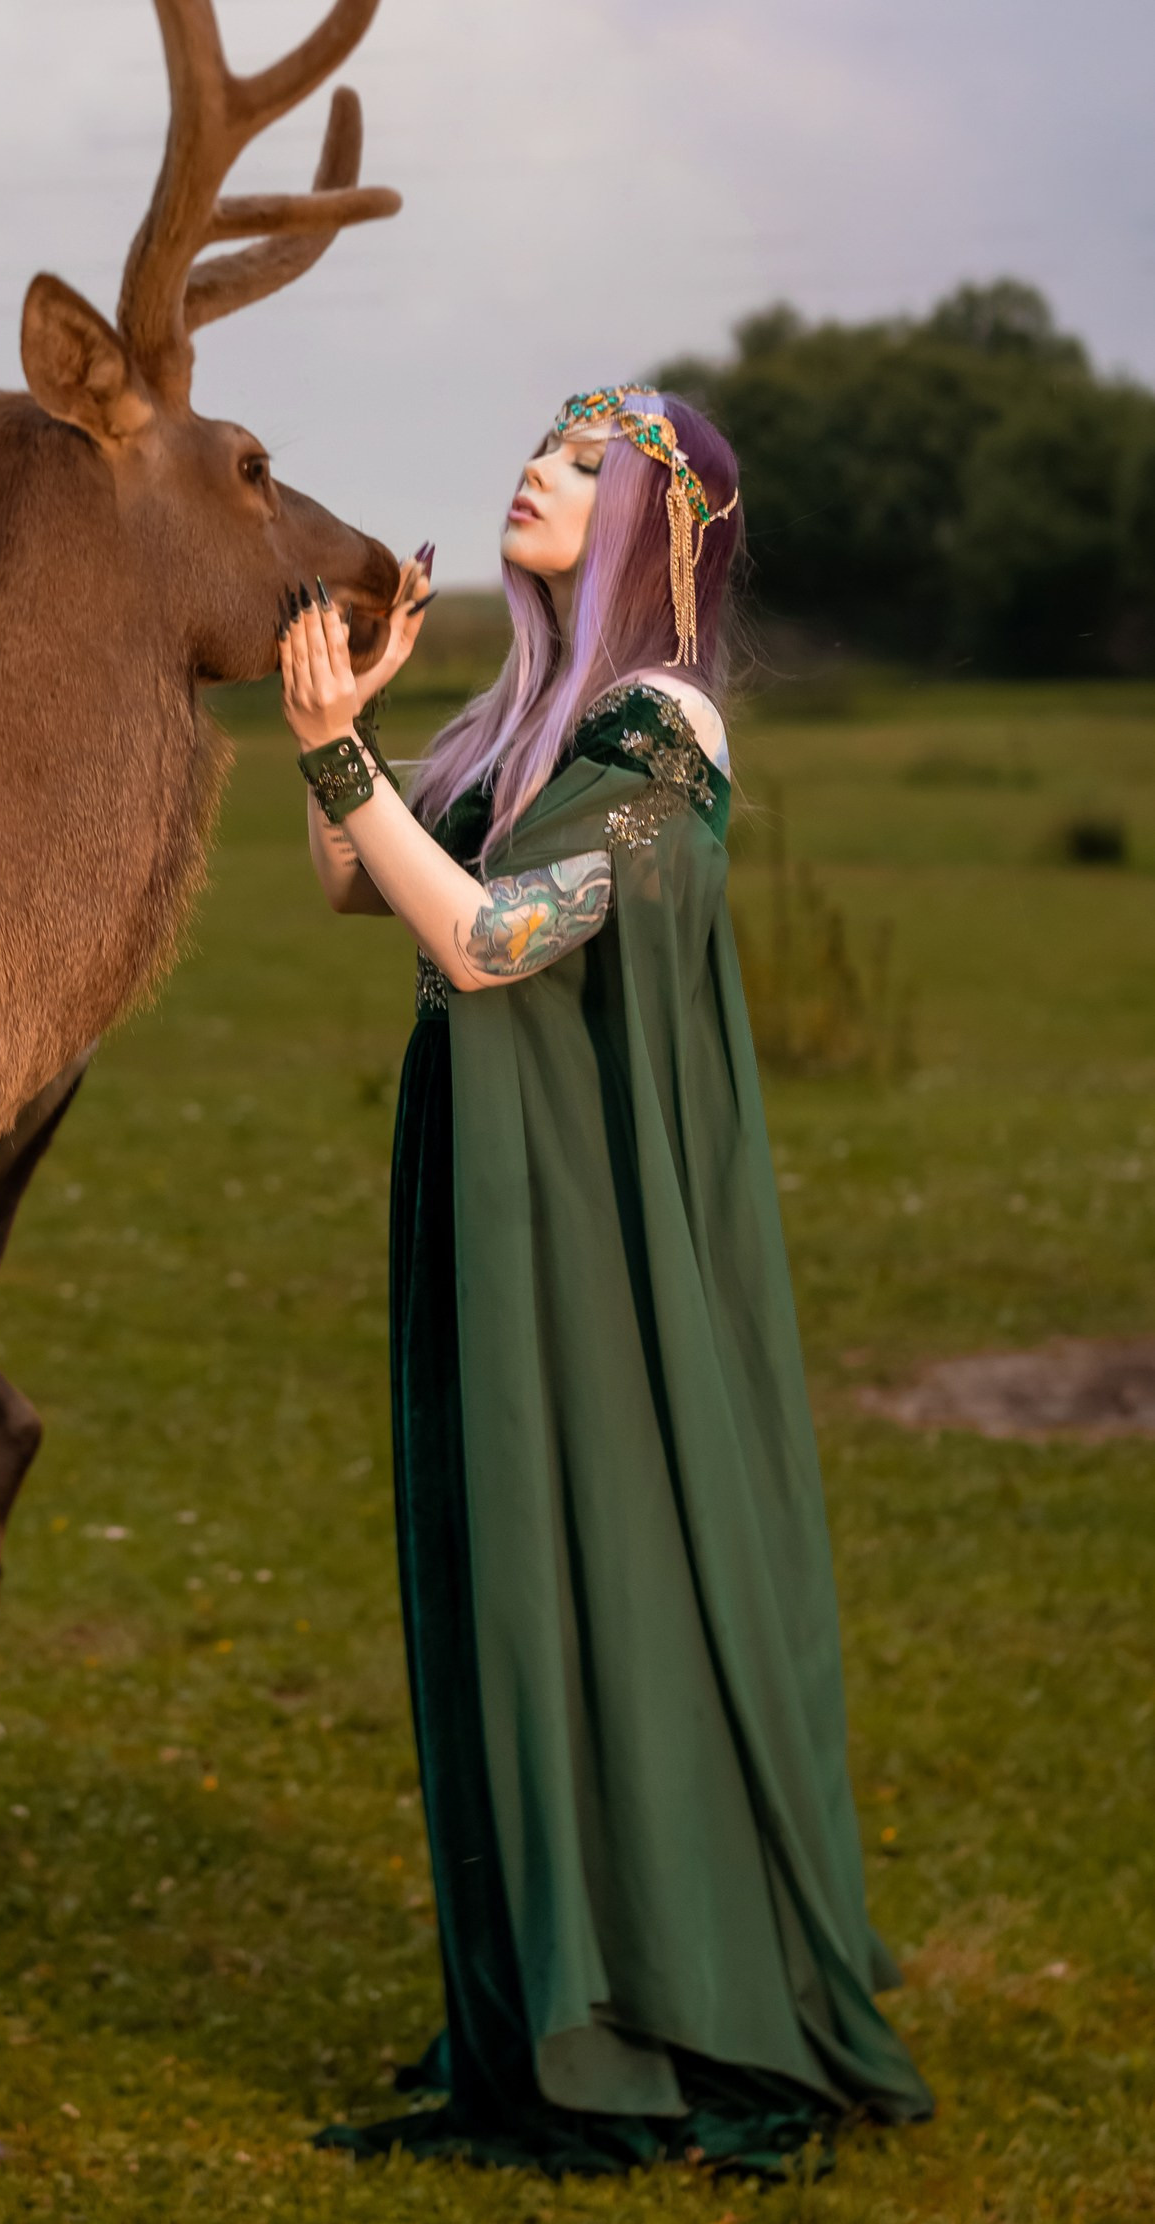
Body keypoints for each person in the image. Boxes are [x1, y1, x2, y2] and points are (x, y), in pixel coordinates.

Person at [280, 387, 932, 2179]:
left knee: (619, 1565)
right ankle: (547, 1992)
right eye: (539, 449)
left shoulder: (664, 719)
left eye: (585, 467)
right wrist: (337, 725)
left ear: (661, 527)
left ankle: (666, 1997)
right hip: (496, 1191)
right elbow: (360, 885)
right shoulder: (531, 713)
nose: (536, 472)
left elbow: (491, 939)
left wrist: (345, 762)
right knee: (513, 1576)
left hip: (596, 1211)